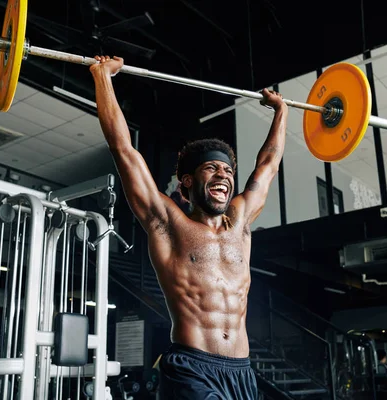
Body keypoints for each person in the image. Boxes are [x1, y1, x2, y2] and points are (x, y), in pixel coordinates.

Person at [90, 55, 288, 399]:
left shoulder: (240, 223)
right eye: (211, 169)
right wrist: (102, 77)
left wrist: (281, 111)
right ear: (186, 183)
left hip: (241, 373)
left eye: (227, 172)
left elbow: (268, 165)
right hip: (192, 368)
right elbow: (124, 150)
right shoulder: (167, 223)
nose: (223, 176)